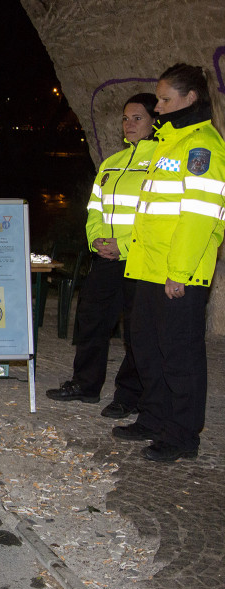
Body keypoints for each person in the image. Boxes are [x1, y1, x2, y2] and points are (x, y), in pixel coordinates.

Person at [114, 63, 225, 462]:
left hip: (179, 273)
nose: (157, 108)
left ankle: (181, 436)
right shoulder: (168, 142)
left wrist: (179, 273)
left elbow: (199, 218)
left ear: (190, 98)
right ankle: (153, 417)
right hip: (149, 268)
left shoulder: (201, 147)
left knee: (180, 355)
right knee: (147, 348)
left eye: (164, 100)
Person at [46, 94, 159, 418]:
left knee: (136, 331)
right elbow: (94, 209)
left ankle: (128, 395)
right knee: (91, 320)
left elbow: (157, 217)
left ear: (155, 122)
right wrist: (95, 240)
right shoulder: (111, 163)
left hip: (138, 258)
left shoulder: (162, 163)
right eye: (125, 118)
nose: (129, 124)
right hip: (106, 258)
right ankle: (85, 385)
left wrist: (123, 245)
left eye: (137, 118)